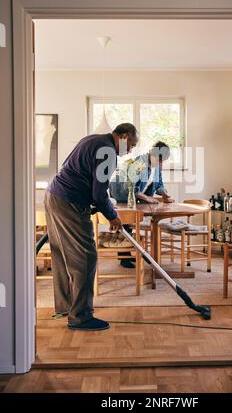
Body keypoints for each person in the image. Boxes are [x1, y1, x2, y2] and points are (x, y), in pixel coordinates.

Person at [44, 123, 138, 331]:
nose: (130, 150)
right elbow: (99, 193)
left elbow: (71, 168)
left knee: (62, 254)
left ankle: (66, 307)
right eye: (131, 144)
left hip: (54, 195)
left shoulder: (92, 139)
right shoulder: (108, 152)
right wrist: (113, 216)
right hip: (69, 202)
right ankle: (80, 317)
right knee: (85, 257)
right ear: (123, 136)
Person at [110, 141, 174, 268]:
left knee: (130, 223)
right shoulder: (140, 163)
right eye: (159, 160)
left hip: (133, 193)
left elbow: (159, 184)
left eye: (163, 161)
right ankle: (125, 257)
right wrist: (147, 198)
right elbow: (130, 186)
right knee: (126, 220)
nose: (160, 164)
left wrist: (164, 194)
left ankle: (130, 254)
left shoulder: (156, 166)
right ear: (152, 154)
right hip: (120, 190)